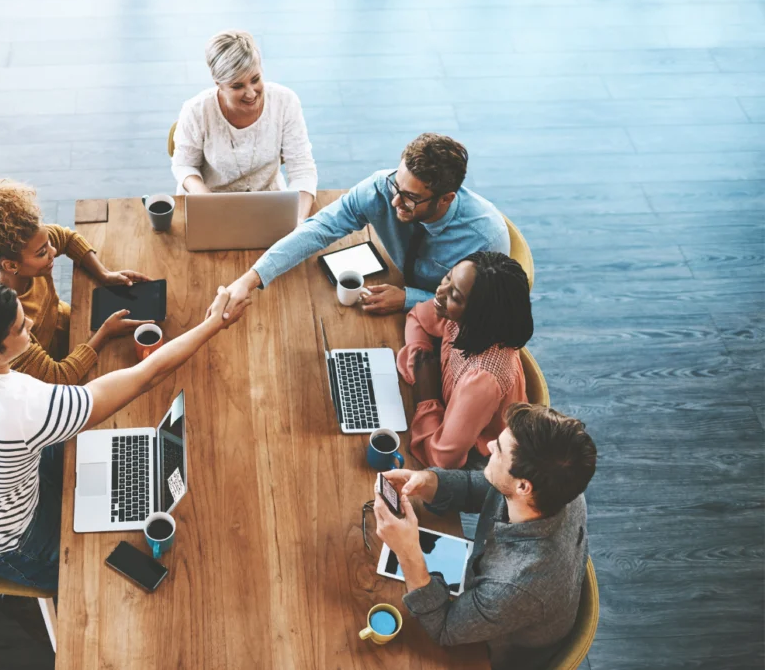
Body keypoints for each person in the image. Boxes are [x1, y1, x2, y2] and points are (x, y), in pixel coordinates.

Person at [0, 277, 250, 589]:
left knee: (111, 463)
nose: (30, 323)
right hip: (13, 541)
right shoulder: (25, 405)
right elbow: (146, 377)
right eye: (19, 329)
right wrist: (214, 324)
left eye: (21, 314)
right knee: (95, 577)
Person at [372, 403, 597, 670]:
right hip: (504, 603)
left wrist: (408, 553)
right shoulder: (559, 489)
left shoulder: (516, 585)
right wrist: (428, 482)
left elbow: (444, 627)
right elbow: (490, 488)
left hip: (496, 653)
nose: (489, 446)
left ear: (523, 486)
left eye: (499, 450)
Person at [219, 133, 510, 317]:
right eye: (397, 185)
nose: (395, 202)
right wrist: (251, 278)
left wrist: (409, 299)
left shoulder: (486, 239)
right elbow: (319, 228)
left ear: (446, 199)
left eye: (410, 199)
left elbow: (481, 311)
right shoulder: (382, 188)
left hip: (442, 322)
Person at [0, 177, 151, 385]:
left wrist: (104, 274)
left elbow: (66, 238)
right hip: (47, 370)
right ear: (11, 266)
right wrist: (106, 333)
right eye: (42, 253)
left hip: (66, 325)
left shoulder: (25, 242)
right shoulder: (5, 322)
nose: (53, 252)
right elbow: (59, 377)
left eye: (48, 243)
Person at [398, 251, 533, 469]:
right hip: (447, 419)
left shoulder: (483, 379)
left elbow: (442, 460)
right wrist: (419, 363)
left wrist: (427, 395)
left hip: (481, 459)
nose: (440, 293)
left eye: (455, 296)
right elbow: (417, 317)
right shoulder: (460, 317)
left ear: (479, 315)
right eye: (448, 277)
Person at [171, 29, 318, 221]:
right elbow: (184, 165)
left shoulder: (285, 102)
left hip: (270, 203)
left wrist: (297, 223)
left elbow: (302, 168)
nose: (250, 94)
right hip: (213, 206)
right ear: (219, 84)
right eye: (237, 86)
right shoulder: (195, 110)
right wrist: (207, 200)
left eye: (255, 79)